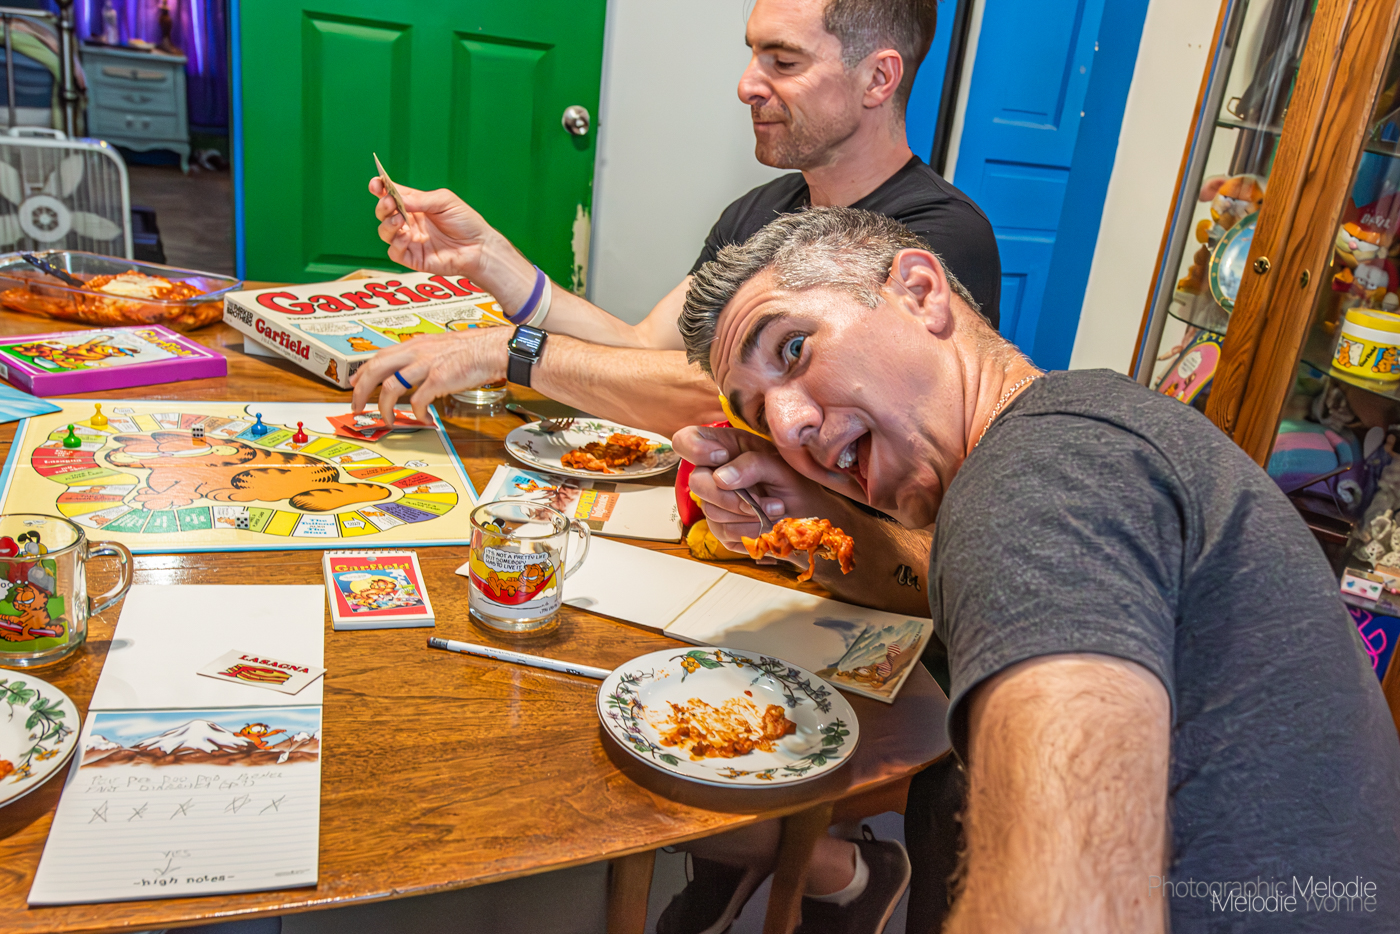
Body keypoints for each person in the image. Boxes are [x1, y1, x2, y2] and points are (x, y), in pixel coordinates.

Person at [673, 205, 1400, 932]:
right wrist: (813, 523)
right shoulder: (1078, 425)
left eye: (795, 348)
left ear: (920, 292)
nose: (789, 426)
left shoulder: (1035, 481)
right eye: (758, 414)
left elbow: (1074, 906)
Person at [349, 0, 999, 439]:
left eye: (784, 61)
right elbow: (643, 352)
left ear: (878, 79)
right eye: (753, 55)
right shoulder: (759, 212)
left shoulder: (936, 240)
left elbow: (736, 400)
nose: (747, 85)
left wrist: (506, 351)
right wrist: (489, 258)